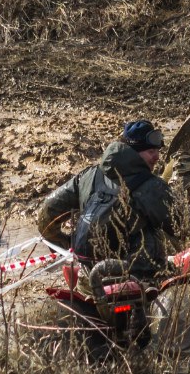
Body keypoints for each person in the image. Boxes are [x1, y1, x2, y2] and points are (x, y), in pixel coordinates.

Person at [36, 119, 175, 280]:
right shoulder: (152, 187)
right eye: (151, 151)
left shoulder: (88, 176)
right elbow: (185, 228)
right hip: (137, 282)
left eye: (158, 151)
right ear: (134, 152)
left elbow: (46, 215)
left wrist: (67, 245)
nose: (157, 157)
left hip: (88, 279)